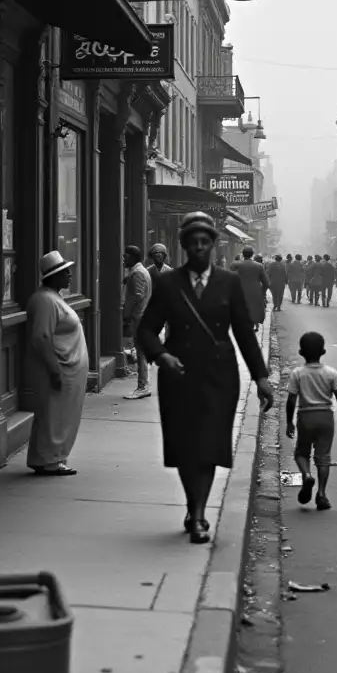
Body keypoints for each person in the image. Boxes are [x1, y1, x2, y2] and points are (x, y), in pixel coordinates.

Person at [138, 212, 273, 542]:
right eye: (193, 243)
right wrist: (162, 355)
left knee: (210, 444)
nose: (199, 248)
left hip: (219, 375)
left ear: (213, 245)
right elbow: (145, 330)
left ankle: (198, 514)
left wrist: (261, 377)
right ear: (184, 246)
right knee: (187, 446)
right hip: (179, 376)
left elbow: (243, 332)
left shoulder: (228, 282)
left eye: (205, 242)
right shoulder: (169, 284)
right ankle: (192, 503)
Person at [25, 250, 90, 476]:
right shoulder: (45, 300)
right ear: (54, 276)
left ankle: (46, 457)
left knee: (57, 414)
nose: (70, 275)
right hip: (58, 368)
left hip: (66, 368)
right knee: (54, 416)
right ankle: (50, 459)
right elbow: (41, 337)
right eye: (65, 272)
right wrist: (54, 369)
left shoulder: (52, 297)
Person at [286, 331, 337, 511]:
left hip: (306, 418)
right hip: (326, 418)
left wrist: (289, 422)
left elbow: (291, 400)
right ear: (323, 351)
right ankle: (322, 494)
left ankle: (307, 474)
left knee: (301, 453)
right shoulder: (331, 373)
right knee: (323, 458)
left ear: (301, 352)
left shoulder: (298, 374)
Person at [123, 245, 153, 399]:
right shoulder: (140, 271)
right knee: (141, 352)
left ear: (134, 257)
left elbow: (137, 296)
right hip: (142, 316)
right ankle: (143, 385)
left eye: (126, 256)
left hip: (139, 317)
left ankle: (142, 386)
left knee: (140, 352)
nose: (123, 259)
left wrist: (126, 314)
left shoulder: (138, 273)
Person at [237, 246, 270, 330]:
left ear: (243, 254)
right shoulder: (259, 266)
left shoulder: (236, 265)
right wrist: (263, 291)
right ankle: (255, 325)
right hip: (255, 290)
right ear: (252, 254)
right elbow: (266, 282)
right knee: (254, 308)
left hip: (240, 291)